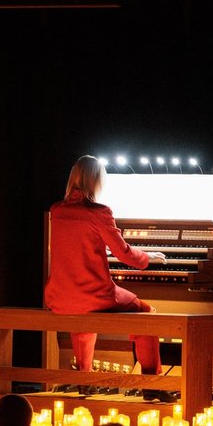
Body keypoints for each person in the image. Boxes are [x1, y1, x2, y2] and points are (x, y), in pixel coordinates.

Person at [43, 155, 165, 382]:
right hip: (94, 296)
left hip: (59, 296)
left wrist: (98, 248)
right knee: (146, 312)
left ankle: (84, 379)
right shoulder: (100, 212)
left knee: (82, 315)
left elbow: (74, 245)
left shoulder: (57, 210)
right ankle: (151, 383)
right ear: (96, 181)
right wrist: (147, 258)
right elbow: (124, 254)